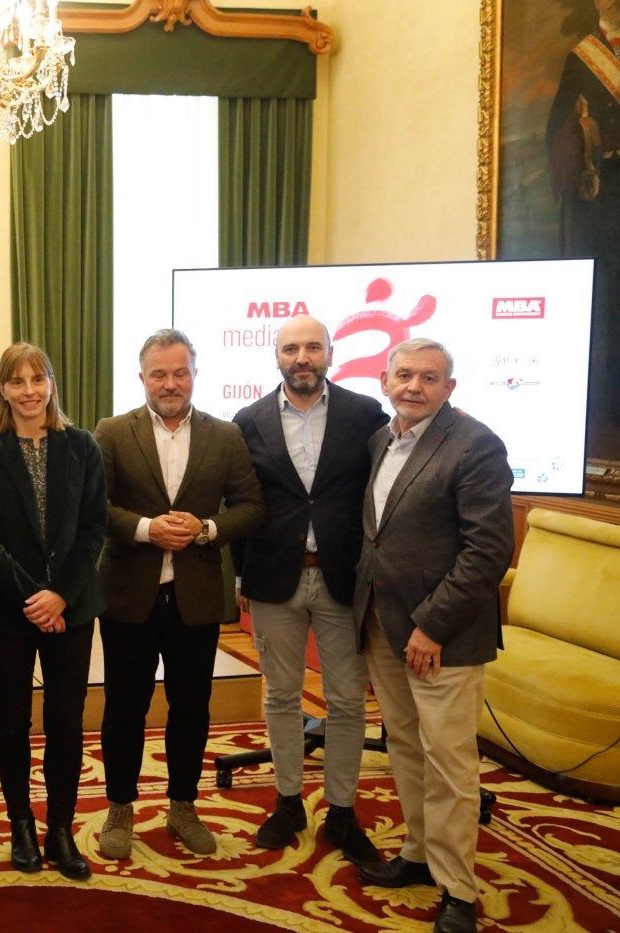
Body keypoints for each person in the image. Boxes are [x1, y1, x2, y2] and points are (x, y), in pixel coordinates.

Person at [353, 338, 514, 933]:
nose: (413, 386)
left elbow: (488, 549)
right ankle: (419, 854)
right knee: (405, 748)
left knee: (450, 764)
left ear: (450, 388)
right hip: (383, 626)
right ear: (384, 380)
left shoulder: (475, 445)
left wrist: (432, 624)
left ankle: (458, 889)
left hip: (442, 637)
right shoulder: (381, 440)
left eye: (428, 377)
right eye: (403, 375)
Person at [94, 329, 264, 859]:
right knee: (125, 708)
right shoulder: (111, 432)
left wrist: (206, 529)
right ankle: (120, 808)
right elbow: (92, 508)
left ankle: (183, 806)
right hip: (128, 596)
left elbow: (251, 506)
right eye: (159, 374)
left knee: (192, 708)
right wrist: (147, 528)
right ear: (141, 377)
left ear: (195, 373)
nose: (171, 383)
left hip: (195, 597)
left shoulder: (225, 436)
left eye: (180, 372)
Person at [231, 316, 387, 864]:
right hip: (276, 577)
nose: (303, 357)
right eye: (291, 348)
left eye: (312, 347)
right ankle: (289, 799)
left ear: (330, 353)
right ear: (276, 356)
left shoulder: (366, 414)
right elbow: (239, 501)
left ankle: (342, 810)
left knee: (347, 699)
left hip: (344, 578)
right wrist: (240, 575)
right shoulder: (247, 421)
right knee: (280, 695)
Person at [0, 343, 107, 881]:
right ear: (2, 390)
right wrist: (33, 596)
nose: (28, 391)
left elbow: (93, 528)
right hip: (8, 611)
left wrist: (61, 596)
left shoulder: (83, 447)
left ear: (51, 383)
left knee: (66, 721)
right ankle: (21, 824)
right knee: (12, 721)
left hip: (71, 609)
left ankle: (62, 828)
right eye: (16, 382)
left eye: (37, 379)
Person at [546, 0, 620, 446]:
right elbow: (557, 127)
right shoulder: (583, 56)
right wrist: (576, 137)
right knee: (608, 296)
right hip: (605, 197)